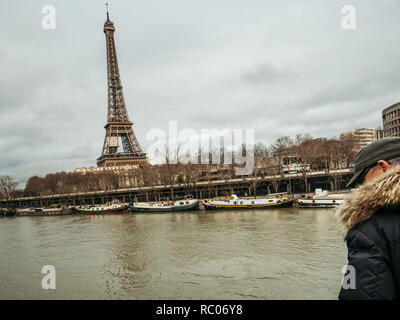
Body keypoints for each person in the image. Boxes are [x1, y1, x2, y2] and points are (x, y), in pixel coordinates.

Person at [338, 137, 400, 300]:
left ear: (383, 167)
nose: (360, 187)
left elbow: (360, 293)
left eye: (362, 179)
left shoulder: (369, 229)